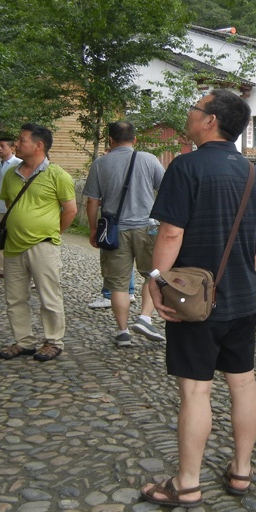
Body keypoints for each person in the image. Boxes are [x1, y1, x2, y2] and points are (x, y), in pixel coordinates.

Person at [140, 89, 256, 507]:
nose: (189, 114)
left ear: (211, 120)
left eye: (195, 108)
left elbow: (171, 233)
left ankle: (187, 483)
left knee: (196, 391)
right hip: (242, 298)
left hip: (194, 301)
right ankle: (241, 470)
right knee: (243, 382)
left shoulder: (186, 167)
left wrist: (155, 280)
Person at [0, 124, 76, 362]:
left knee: (49, 296)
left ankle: (53, 341)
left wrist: (51, 233)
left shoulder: (58, 175)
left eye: (22, 140)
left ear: (39, 145)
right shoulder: (10, 174)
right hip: (13, 245)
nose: (16, 144)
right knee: (15, 298)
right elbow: (10, 204)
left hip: (43, 245)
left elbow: (70, 210)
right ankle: (24, 341)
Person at [84, 120, 166, 346]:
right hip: (147, 228)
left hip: (115, 231)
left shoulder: (100, 164)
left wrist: (93, 229)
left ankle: (123, 332)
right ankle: (145, 318)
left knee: (118, 284)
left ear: (110, 140)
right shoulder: (149, 159)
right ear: (134, 139)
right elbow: (166, 189)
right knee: (152, 274)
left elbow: (92, 201)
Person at [0, 136, 21, 279]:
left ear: (12, 148)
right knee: (0, 237)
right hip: (0, 207)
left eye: (3, 146)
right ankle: (2, 269)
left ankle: (18, 270)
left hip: (14, 208)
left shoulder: (18, 164)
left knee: (15, 238)